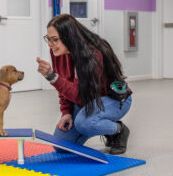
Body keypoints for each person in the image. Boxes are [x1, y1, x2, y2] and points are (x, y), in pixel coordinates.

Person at [36, 14, 132, 155]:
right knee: (61, 145)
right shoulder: (58, 52)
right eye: (48, 39)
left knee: (84, 123)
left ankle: (118, 130)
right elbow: (65, 86)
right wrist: (67, 112)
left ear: (69, 37)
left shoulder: (93, 54)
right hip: (86, 101)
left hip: (113, 100)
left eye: (55, 40)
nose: (50, 44)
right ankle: (99, 123)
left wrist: (52, 78)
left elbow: (82, 97)